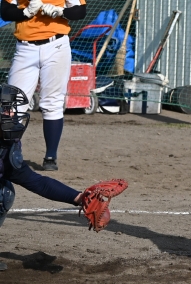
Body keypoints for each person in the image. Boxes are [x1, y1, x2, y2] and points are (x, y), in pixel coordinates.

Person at [0, 84, 127, 271]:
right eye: (6, 110)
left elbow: (37, 182)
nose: (13, 114)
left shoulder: (7, 145)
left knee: (4, 193)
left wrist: (79, 198)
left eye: (11, 109)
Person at [0, 0, 87, 171]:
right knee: (13, 103)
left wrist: (59, 11)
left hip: (56, 46)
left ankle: (50, 157)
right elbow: (5, 11)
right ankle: (10, 153)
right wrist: (26, 12)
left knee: (52, 102)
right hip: (25, 48)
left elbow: (80, 10)